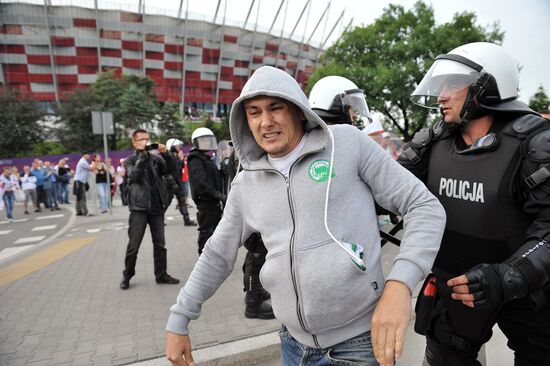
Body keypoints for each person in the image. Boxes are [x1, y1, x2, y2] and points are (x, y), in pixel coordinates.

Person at [166, 66, 446, 366]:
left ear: (298, 110)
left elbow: (423, 207)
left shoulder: (347, 144)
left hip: (359, 344)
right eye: (254, 112)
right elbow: (217, 254)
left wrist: (400, 285)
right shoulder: (246, 182)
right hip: (292, 346)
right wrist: (179, 318)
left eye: (276, 108)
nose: (266, 122)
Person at [398, 42, 550, 365]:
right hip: (454, 287)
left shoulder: (534, 145)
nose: (441, 95)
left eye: (452, 85)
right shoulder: (431, 144)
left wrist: (505, 278)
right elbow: (387, 194)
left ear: (488, 86)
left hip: (522, 291)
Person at [119, 129, 180, 290]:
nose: (145, 142)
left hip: (157, 208)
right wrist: (142, 158)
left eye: (147, 139)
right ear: (134, 142)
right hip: (139, 208)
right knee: (134, 245)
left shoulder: (155, 159)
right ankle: (127, 276)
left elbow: (171, 170)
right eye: (141, 139)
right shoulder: (130, 160)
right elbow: (134, 176)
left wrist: (165, 154)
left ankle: (161, 275)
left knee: (160, 244)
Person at [186, 127, 226, 255]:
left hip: (212, 202)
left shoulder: (205, 158)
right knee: (206, 234)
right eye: (204, 141)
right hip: (206, 202)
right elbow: (201, 184)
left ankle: (212, 260)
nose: (207, 143)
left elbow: (214, 177)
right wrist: (219, 195)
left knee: (214, 233)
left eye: (209, 140)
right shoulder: (195, 159)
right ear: (196, 142)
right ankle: (204, 262)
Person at [165, 138, 196, 226]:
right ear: (171, 146)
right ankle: (158, 220)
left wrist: (181, 159)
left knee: (182, 202)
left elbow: (179, 168)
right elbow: (166, 172)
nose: (179, 147)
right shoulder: (168, 157)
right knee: (166, 202)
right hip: (170, 185)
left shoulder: (176, 156)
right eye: (177, 146)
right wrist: (172, 184)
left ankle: (187, 220)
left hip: (178, 183)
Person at [73, 152, 93, 216]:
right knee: (82, 197)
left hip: (80, 181)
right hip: (80, 181)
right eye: (88, 154)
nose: (89, 156)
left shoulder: (83, 161)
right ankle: (85, 212)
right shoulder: (83, 162)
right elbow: (90, 168)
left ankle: (78, 211)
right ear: (84, 155)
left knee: (79, 197)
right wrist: (96, 163)